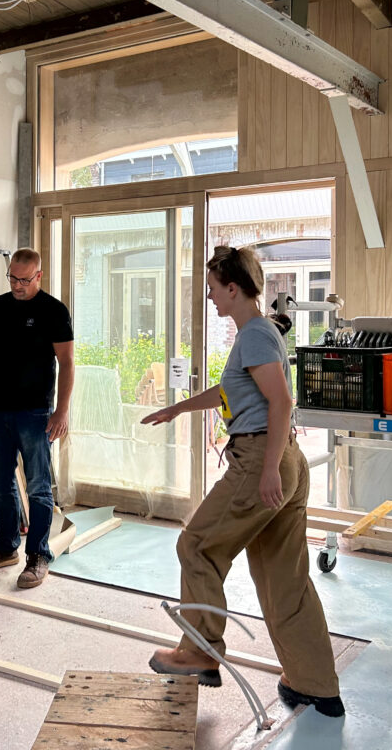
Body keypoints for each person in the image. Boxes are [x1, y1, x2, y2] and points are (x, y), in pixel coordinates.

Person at [141, 245, 344, 718]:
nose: (210, 298)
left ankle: (200, 649)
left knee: (196, 546)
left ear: (233, 289)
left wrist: (268, 467)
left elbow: (282, 402)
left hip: (261, 460)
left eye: (213, 290)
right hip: (284, 459)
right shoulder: (262, 333)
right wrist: (178, 408)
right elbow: (233, 391)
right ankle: (316, 683)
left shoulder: (253, 335)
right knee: (283, 578)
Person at [0, 248, 74, 589]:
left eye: (24, 279)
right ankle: (6, 548)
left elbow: (67, 363)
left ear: (38, 276)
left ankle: (38, 556)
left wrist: (62, 409)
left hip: (37, 412)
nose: (17, 285)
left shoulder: (53, 311)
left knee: (39, 486)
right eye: (12, 277)